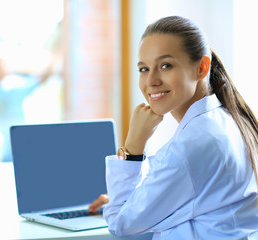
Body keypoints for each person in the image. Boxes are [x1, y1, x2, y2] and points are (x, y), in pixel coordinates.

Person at [89, 16, 258, 239]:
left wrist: (133, 146)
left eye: (165, 66)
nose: (151, 81)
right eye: (143, 69)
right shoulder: (227, 119)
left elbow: (121, 224)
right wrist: (138, 200)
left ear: (202, 68)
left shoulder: (191, 145)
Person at [0, 56, 52, 162]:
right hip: (18, 150)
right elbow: (40, 79)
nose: (5, 68)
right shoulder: (8, 93)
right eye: (1, 65)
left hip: (7, 151)